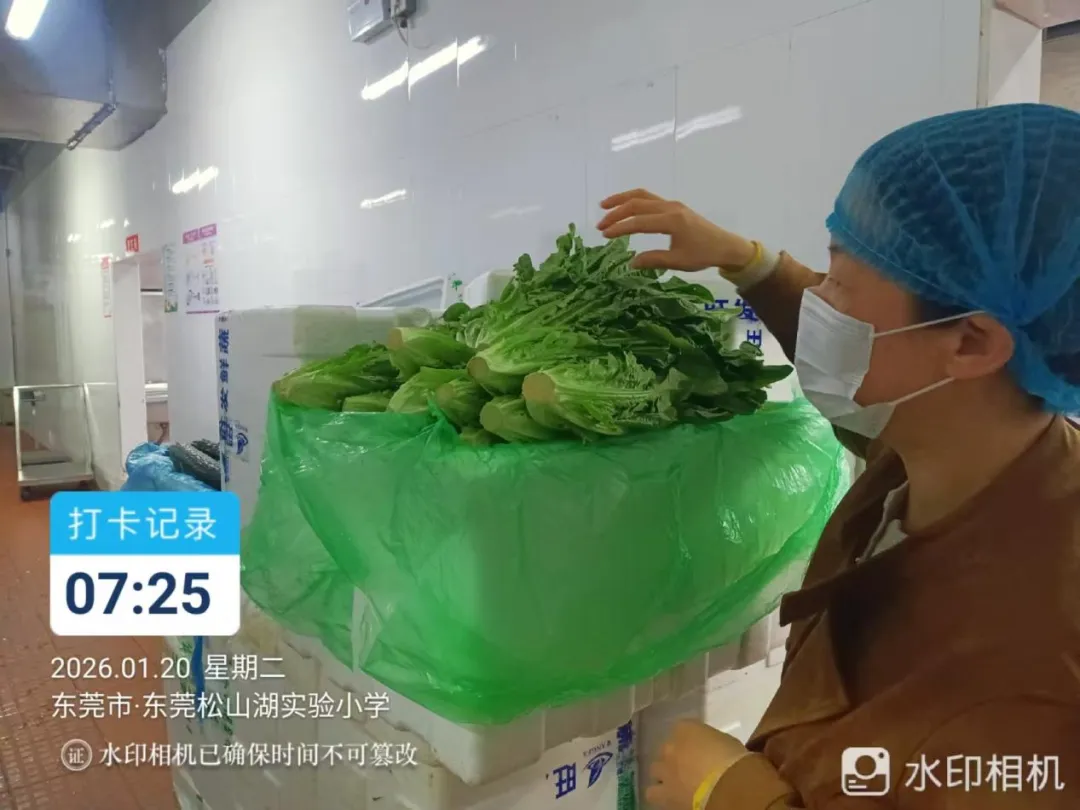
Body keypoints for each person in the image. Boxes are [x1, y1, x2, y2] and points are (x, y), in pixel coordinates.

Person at [597, 103, 1080, 809]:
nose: (821, 304)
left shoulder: (1030, 680)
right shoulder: (959, 442)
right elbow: (879, 354)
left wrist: (732, 793)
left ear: (973, 342)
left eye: (840, 281)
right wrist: (750, 263)